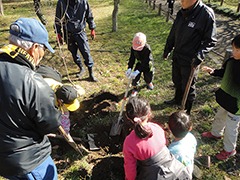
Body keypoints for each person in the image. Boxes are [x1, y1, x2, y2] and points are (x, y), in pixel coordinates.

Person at [0, 18, 61, 179]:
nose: (42, 55)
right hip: (30, 162)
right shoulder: (34, 83)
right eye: (43, 50)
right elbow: (49, 125)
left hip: (4, 160)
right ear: (34, 48)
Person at [163, 0, 217, 115]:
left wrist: (199, 56)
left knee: (188, 85)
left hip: (191, 59)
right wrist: (167, 48)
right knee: (177, 80)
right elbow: (173, 32)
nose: (181, 1)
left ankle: (187, 110)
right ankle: (177, 99)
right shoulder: (181, 12)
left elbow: (210, 40)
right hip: (178, 55)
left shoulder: (205, 14)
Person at [123, 97, 192, 180]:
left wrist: (129, 179)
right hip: (177, 171)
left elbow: (130, 167)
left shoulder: (129, 141)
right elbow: (164, 143)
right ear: (149, 113)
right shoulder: (156, 127)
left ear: (127, 116)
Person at [201, 34, 240, 160]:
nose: (234, 52)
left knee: (231, 128)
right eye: (233, 48)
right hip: (226, 99)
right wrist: (213, 71)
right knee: (219, 117)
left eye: (237, 50)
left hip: (236, 105)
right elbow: (224, 72)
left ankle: (229, 149)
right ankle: (216, 134)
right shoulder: (231, 62)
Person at [55, 0, 99, 82]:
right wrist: (58, 33)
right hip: (68, 33)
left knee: (86, 51)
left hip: (80, 32)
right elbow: (57, 18)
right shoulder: (61, 2)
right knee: (73, 52)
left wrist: (92, 28)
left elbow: (89, 14)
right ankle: (81, 68)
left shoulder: (83, 2)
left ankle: (91, 74)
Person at [35, 65, 80, 135]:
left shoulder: (63, 90)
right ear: (59, 100)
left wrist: (65, 132)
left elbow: (64, 115)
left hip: (47, 76)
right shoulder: (43, 95)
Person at [126, 32, 155, 97]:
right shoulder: (133, 48)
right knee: (135, 77)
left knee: (149, 75)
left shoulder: (147, 49)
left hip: (147, 64)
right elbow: (132, 58)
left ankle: (149, 82)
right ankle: (135, 88)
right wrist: (130, 68)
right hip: (139, 62)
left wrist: (138, 71)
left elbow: (146, 61)